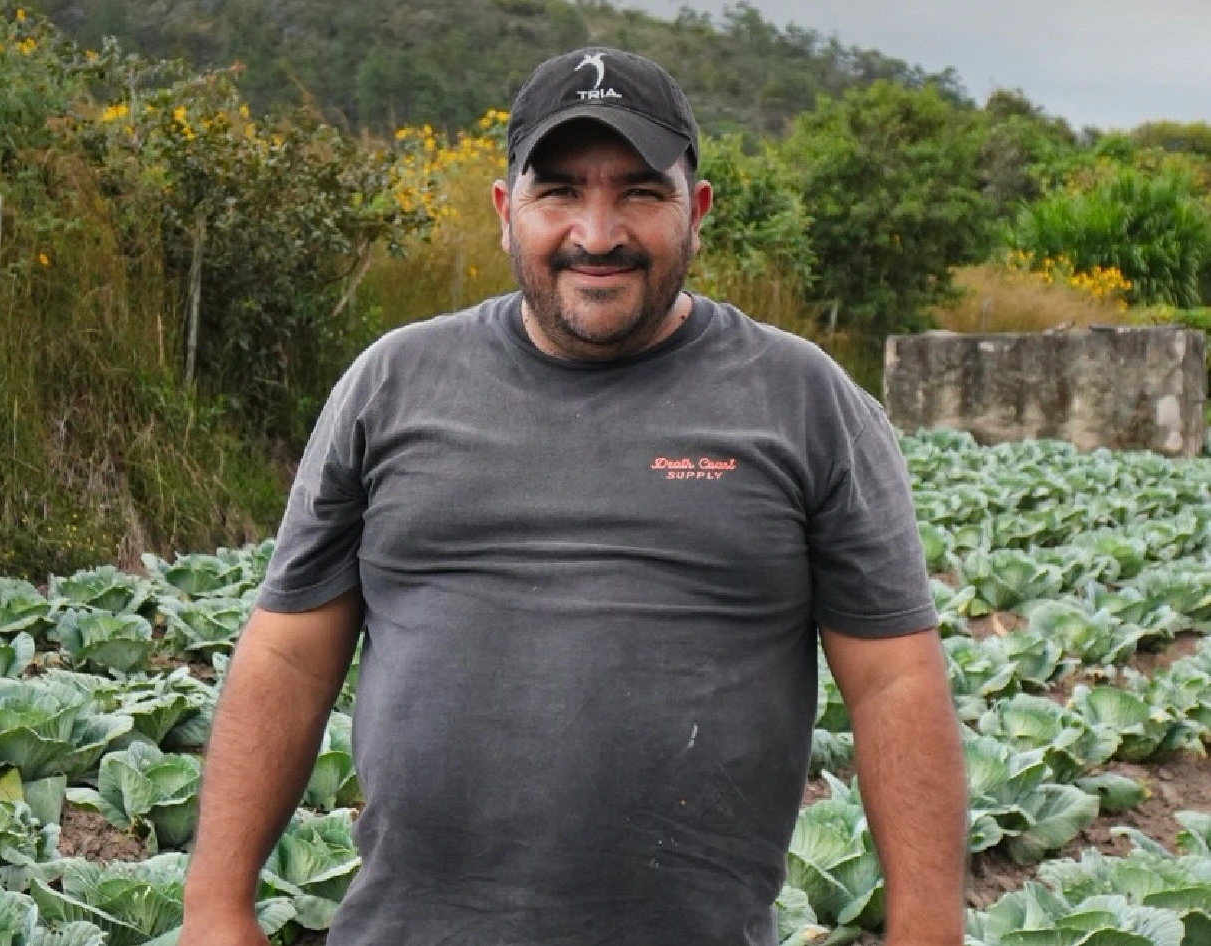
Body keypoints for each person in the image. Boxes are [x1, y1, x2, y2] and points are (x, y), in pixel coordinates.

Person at [178, 47, 967, 946]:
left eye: (640, 192)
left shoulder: (805, 401)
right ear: (504, 212)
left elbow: (894, 681)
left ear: (697, 211)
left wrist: (928, 929)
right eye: (558, 192)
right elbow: (289, 656)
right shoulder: (392, 383)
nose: (598, 234)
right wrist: (215, 904)